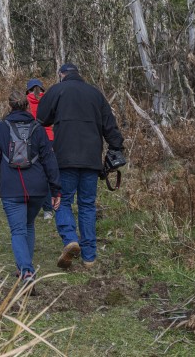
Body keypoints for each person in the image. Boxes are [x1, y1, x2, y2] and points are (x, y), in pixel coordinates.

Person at [36, 63, 124, 270]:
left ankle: (69, 239)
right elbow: (110, 126)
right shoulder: (95, 94)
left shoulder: (57, 90)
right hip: (91, 159)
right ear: (78, 74)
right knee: (87, 205)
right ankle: (89, 257)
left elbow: (41, 118)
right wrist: (116, 147)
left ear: (61, 75)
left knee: (63, 200)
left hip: (64, 158)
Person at [0, 90, 61, 284]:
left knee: (18, 231)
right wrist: (55, 189)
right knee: (28, 225)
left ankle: (26, 271)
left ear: (10, 106)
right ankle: (24, 267)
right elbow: (49, 159)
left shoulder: (0, 128)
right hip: (38, 188)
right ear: (27, 106)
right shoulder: (38, 128)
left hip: (11, 188)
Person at [27, 78, 56, 220]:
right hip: (49, 138)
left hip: (32, 139)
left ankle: (33, 204)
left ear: (29, 90)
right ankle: (48, 210)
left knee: (34, 171)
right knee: (48, 172)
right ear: (42, 89)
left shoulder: (25, 101)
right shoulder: (50, 100)